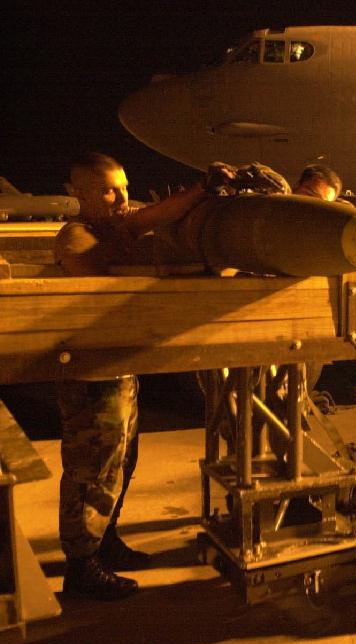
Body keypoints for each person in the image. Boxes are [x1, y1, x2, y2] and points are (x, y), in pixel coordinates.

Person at [54, 152, 208, 599]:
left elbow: (151, 215)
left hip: (118, 372)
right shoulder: (77, 238)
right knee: (92, 471)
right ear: (78, 195)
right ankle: (81, 565)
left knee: (121, 463)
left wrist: (203, 189)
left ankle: (106, 542)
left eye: (124, 186)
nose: (122, 197)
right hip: (91, 376)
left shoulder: (112, 228)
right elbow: (108, 282)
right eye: (108, 189)